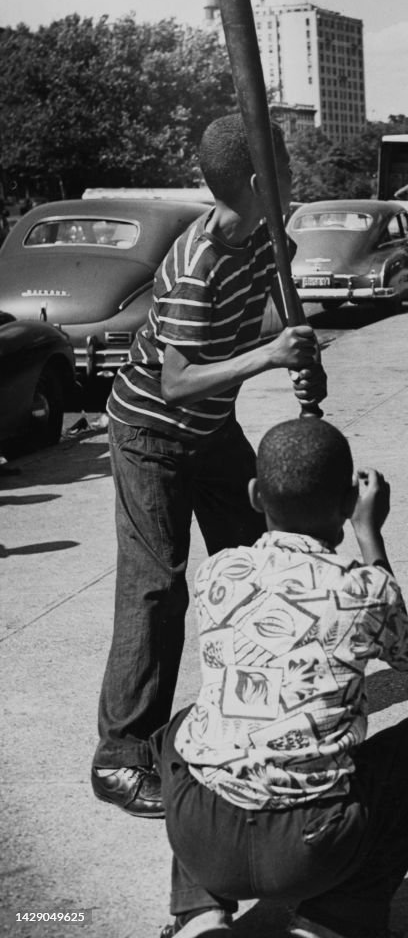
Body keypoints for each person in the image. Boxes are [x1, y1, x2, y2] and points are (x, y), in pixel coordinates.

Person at [90, 114, 328, 818]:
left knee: (262, 554)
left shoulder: (262, 235)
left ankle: (255, 697)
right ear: (259, 182)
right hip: (152, 432)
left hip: (212, 429)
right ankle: (122, 752)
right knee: (157, 584)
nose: (294, 178)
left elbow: (279, 307)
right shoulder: (196, 262)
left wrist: (300, 346)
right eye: (284, 167)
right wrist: (272, 356)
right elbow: (177, 380)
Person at [150, 417, 408, 938]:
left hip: (201, 836)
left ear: (256, 496)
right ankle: (333, 921)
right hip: (311, 847)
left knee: (189, 723)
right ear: (348, 504)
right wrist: (371, 535)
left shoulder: (217, 573)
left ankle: (200, 914)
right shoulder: (364, 588)